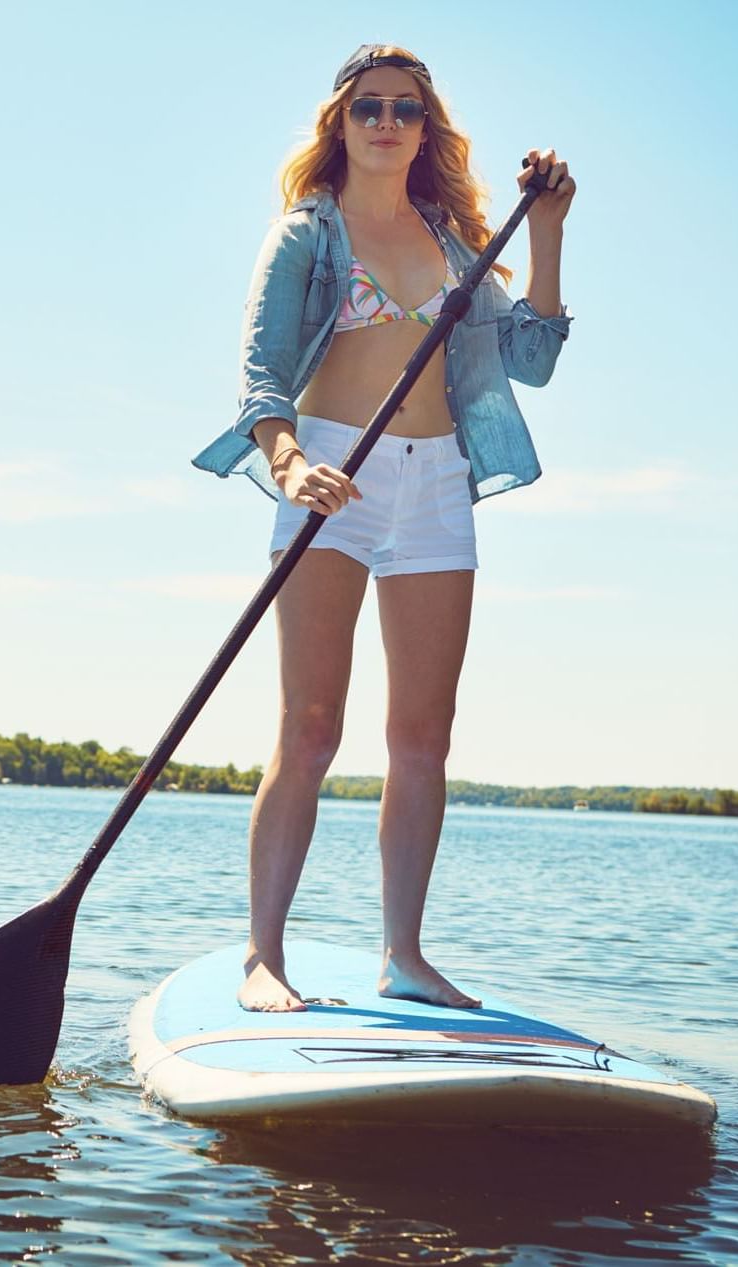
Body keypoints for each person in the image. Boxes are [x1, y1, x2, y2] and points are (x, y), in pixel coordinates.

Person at [190, 43, 577, 1012]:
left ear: (426, 128)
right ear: (342, 122)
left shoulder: (456, 243)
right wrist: (288, 464)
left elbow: (530, 358)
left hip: (438, 480)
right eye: (369, 107)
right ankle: (263, 958)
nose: (387, 122)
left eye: (406, 108)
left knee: (423, 735)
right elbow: (260, 379)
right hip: (330, 472)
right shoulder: (305, 236)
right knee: (311, 727)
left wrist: (551, 234)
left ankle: (403, 955)